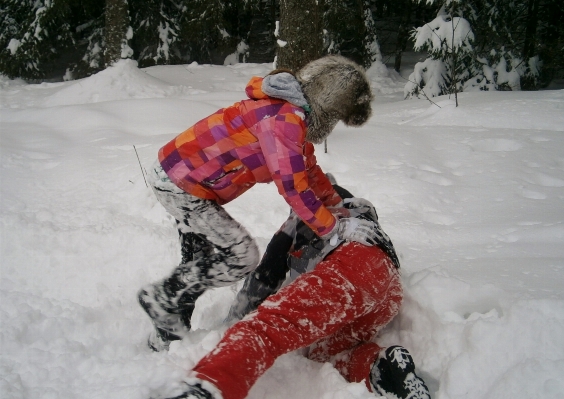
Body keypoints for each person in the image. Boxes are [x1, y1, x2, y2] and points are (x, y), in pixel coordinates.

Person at [138, 55, 377, 351]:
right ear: (327, 108)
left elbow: (308, 170)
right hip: (182, 185)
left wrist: (334, 202)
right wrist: (332, 229)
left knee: (198, 262)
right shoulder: (285, 121)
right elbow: (293, 187)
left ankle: (166, 335)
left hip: (178, 175)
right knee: (241, 256)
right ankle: (163, 299)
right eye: (336, 118)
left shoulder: (288, 113)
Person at [160, 179, 431, 399]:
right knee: (325, 354)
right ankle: (379, 367)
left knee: (266, 330)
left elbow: (265, 277)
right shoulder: (359, 213)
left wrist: (233, 322)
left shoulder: (304, 217)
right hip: (388, 288)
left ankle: (206, 389)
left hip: (351, 269)